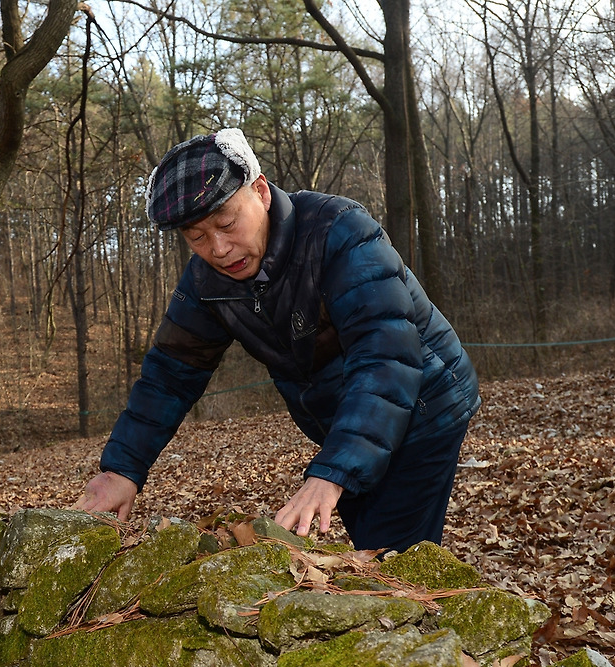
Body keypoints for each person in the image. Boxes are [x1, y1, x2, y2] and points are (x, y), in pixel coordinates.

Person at [73, 128, 480, 552]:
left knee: (389, 553)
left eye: (227, 223)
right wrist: (122, 469)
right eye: (197, 237)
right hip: (345, 423)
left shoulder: (340, 233)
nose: (219, 248)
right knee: (371, 542)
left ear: (261, 192)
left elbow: (385, 353)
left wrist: (334, 470)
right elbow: (170, 375)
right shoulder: (206, 281)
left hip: (425, 402)